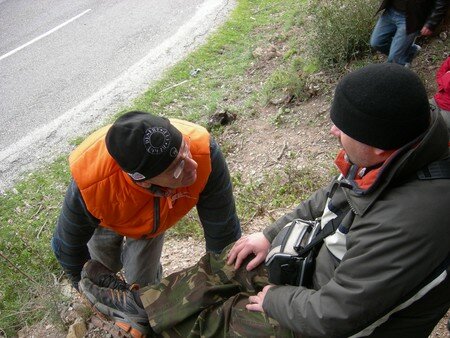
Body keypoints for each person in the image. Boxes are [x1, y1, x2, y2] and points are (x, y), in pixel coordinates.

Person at [79, 64, 450, 337]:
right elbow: (333, 196)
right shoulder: (401, 147)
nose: (333, 130)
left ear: (378, 146)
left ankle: (158, 328)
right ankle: (141, 307)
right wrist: (271, 235)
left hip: (343, 318)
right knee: (233, 260)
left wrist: (275, 300)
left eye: (343, 128)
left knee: (225, 320)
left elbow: (339, 315)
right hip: (324, 265)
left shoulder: (411, 221)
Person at [51, 111, 241, 290]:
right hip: (107, 219)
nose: (193, 166)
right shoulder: (91, 185)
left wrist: (223, 284)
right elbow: (67, 248)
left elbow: (223, 231)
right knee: (103, 268)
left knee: (143, 287)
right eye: (176, 169)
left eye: (186, 150)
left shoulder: (203, 151)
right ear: (143, 182)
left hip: (152, 224)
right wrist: (87, 289)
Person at [370, 0, 450, 66]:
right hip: (390, 11)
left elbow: (442, 2)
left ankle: (397, 77)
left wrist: (431, 23)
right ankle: (411, 50)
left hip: (411, 18)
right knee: (377, 42)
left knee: (394, 59)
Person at [430, 56, 450, 135]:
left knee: (440, 132)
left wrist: (446, 77)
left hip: (448, 109)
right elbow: (440, 73)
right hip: (437, 99)